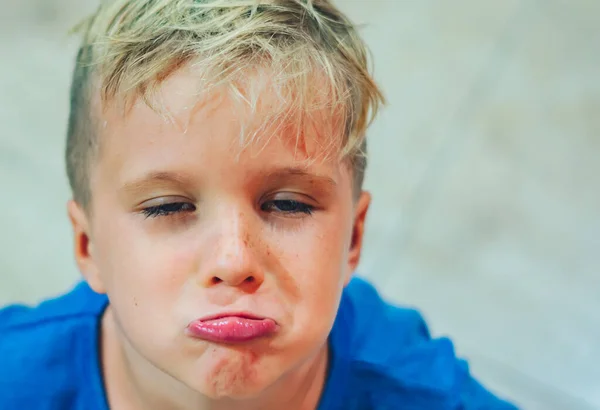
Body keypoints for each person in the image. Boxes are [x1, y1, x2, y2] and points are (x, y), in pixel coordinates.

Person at [0, 1, 518, 409]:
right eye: (166, 207)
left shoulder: (421, 393)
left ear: (353, 238)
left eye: (288, 204)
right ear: (87, 245)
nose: (234, 261)